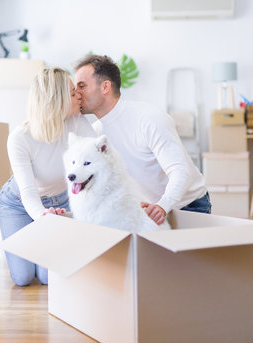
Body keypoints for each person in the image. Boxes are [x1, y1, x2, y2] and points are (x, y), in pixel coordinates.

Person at [74, 55, 211, 225]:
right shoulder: (96, 134)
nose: (76, 94)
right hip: (147, 210)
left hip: (188, 206)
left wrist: (162, 206)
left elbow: (181, 172)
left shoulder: (149, 119)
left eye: (82, 86)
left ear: (105, 87)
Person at [0, 67, 95, 286]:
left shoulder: (77, 122)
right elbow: (29, 194)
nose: (78, 95)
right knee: (22, 278)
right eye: (72, 93)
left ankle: (42, 244)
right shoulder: (19, 139)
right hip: (18, 204)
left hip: (60, 202)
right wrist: (44, 217)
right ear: (57, 100)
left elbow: (99, 162)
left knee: (45, 277)